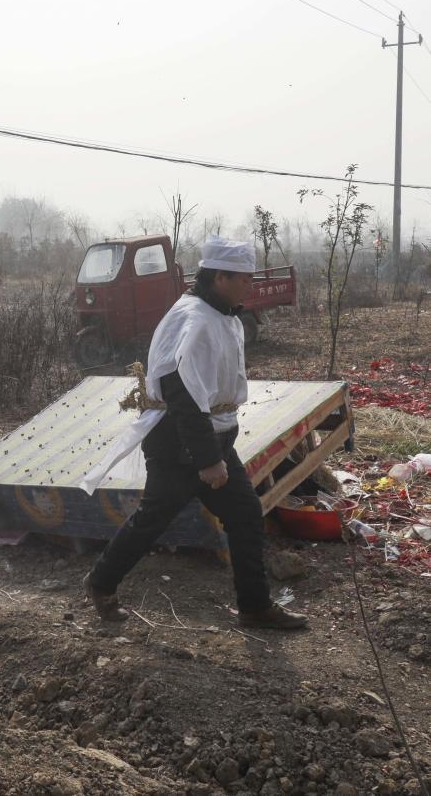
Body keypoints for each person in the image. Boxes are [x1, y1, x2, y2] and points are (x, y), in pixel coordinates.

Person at [79, 235, 308, 630]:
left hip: (210, 436)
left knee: (245, 513)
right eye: (244, 280)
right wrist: (208, 460)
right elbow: (182, 394)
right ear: (220, 277)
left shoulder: (220, 313)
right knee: (153, 520)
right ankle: (100, 584)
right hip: (179, 442)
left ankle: (254, 606)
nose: (250, 287)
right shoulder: (196, 320)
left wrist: (217, 450)